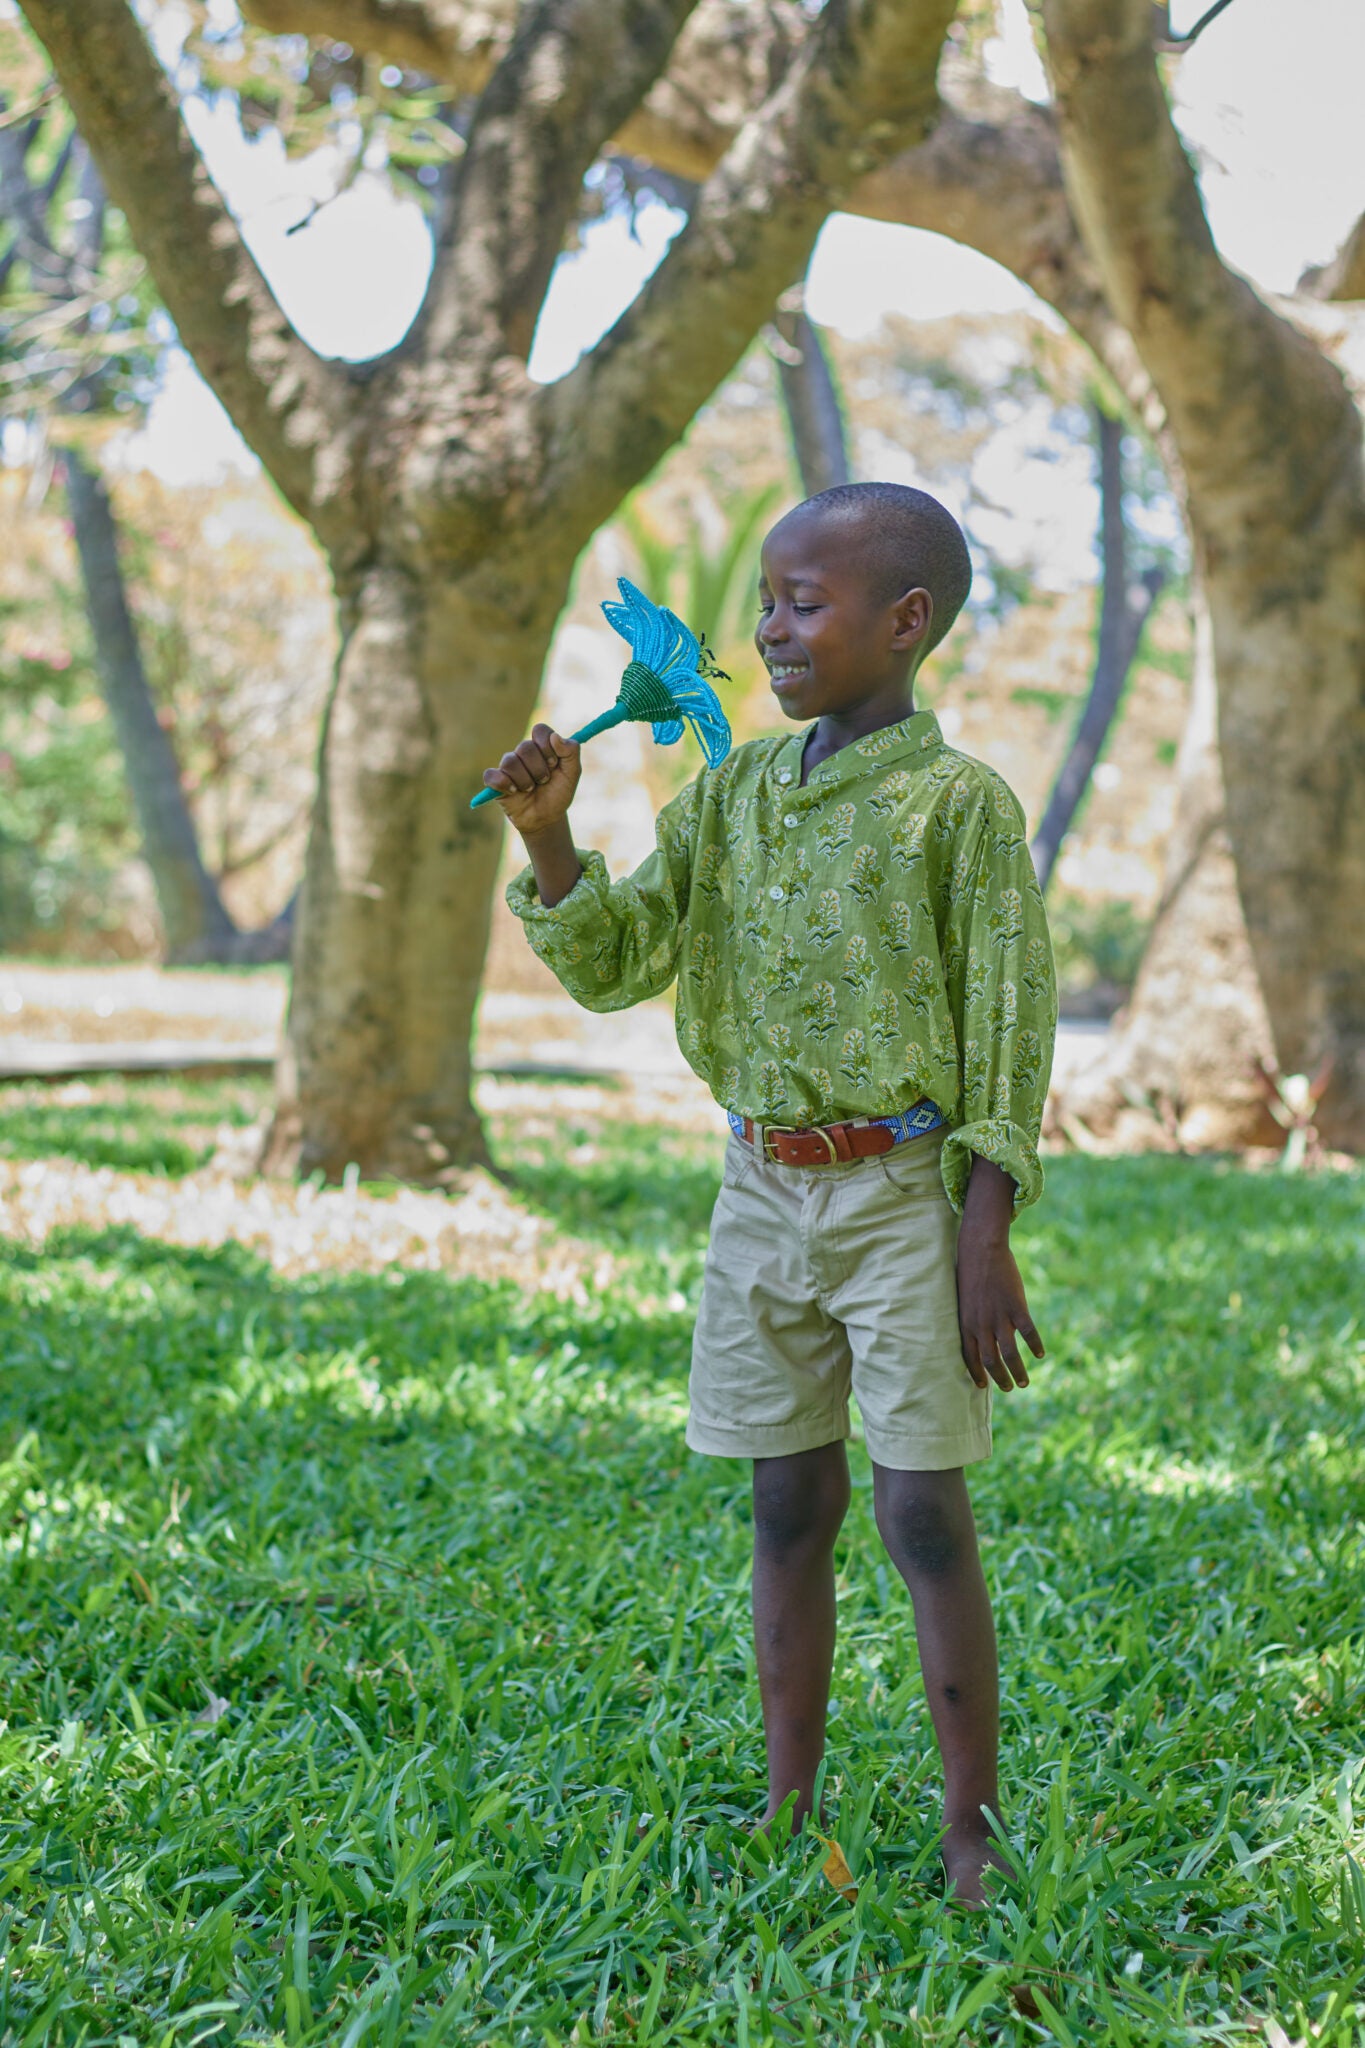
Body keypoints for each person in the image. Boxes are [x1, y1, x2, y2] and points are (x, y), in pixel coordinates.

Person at [480, 482, 1057, 1904]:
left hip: (900, 1196)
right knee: (784, 1508)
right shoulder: (731, 795)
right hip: (758, 1193)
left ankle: (969, 1830)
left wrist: (985, 1231)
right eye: (768, 601)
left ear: (905, 622)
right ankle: (785, 1811)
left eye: (806, 602)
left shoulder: (957, 808)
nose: (772, 628)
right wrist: (552, 838)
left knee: (922, 1513)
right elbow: (617, 963)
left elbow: (1006, 1027)